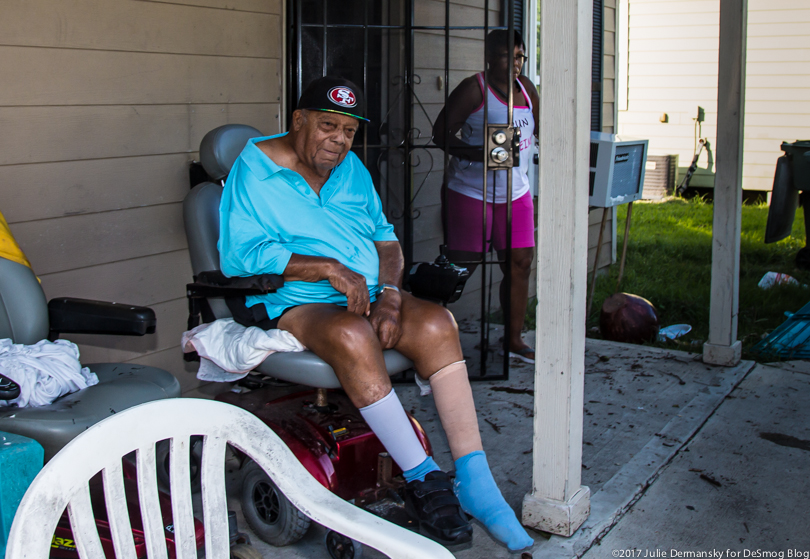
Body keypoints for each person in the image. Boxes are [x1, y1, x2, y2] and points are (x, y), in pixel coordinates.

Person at [218, 76, 533, 552]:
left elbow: (386, 240)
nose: (339, 141)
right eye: (328, 126)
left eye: (348, 131)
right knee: (350, 333)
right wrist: (326, 269)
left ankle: (475, 478)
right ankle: (425, 478)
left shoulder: (350, 169)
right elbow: (240, 256)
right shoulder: (254, 171)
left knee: (436, 322)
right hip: (294, 299)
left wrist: (389, 291)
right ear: (298, 121)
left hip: (368, 293)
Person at [433, 30, 540, 364]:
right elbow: (440, 134)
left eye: (520, 56)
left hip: (516, 192)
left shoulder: (528, 90)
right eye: (509, 56)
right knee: (460, 266)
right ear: (491, 57)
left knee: (520, 263)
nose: (516, 63)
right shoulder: (473, 88)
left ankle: (513, 339)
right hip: (471, 192)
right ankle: (424, 332)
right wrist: (481, 153)